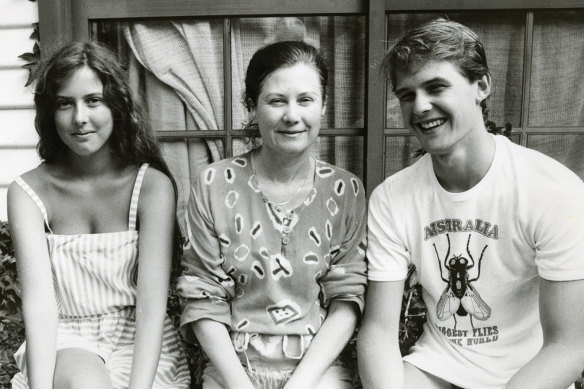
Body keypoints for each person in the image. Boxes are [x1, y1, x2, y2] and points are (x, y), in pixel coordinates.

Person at [358, 18, 584, 389]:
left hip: (527, 375)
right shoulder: (392, 198)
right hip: (436, 368)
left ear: (481, 86)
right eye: (407, 95)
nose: (420, 106)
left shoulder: (552, 190)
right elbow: (379, 330)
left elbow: (568, 345)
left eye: (436, 87)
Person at [177, 40, 367, 389]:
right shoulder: (213, 185)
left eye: (305, 100)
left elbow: (347, 299)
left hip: (317, 372)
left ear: (323, 105)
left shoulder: (345, 191)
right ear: (252, 106)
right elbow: (202, 297)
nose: (292, 115)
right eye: (277, 100)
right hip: (233, 369)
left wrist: (299, 384)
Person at [8, 41, 190, 389]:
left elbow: (151, 307)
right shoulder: (28, 193)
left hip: (140, 341)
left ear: (116, 106)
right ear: (50, 112)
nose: (80, 118)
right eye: (65, 103)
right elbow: (41, 307)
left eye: (93, 100)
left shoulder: (151, 187)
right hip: (66, 338)